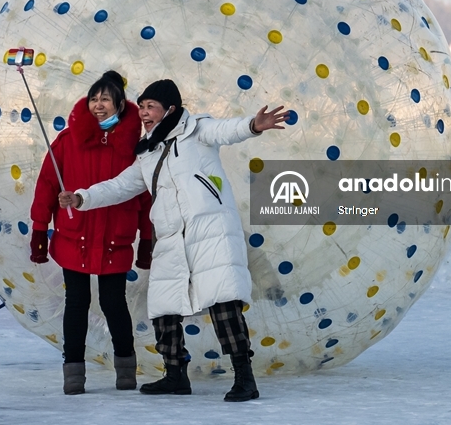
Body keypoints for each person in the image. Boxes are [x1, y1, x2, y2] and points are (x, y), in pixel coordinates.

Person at [60, 79, 288, 402]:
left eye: (150, 106)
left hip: (210, 232)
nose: (143, 114)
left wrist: (253, 125)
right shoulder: (147, 154)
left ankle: (244, 378)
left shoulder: (198, 131)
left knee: (224, 304)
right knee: (164, 307)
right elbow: (119, 186)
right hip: (170, 238)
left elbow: (228, 130)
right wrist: (82, 198)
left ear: (170, 108)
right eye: (141, 108)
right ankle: (175, 374)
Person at [29, 70, 152, 396]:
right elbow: (46, 186)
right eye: (94, 98)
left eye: (106, 100)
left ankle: (126, 368)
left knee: (114, 303)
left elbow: (144, 195)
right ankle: (73, 374)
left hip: (115, 237)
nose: (99, 105)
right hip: (75, 235)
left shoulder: (133, 148)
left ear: (119, 106)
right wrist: (40, 230)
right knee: (76, 301)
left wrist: (147, 239)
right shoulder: (68, 142)